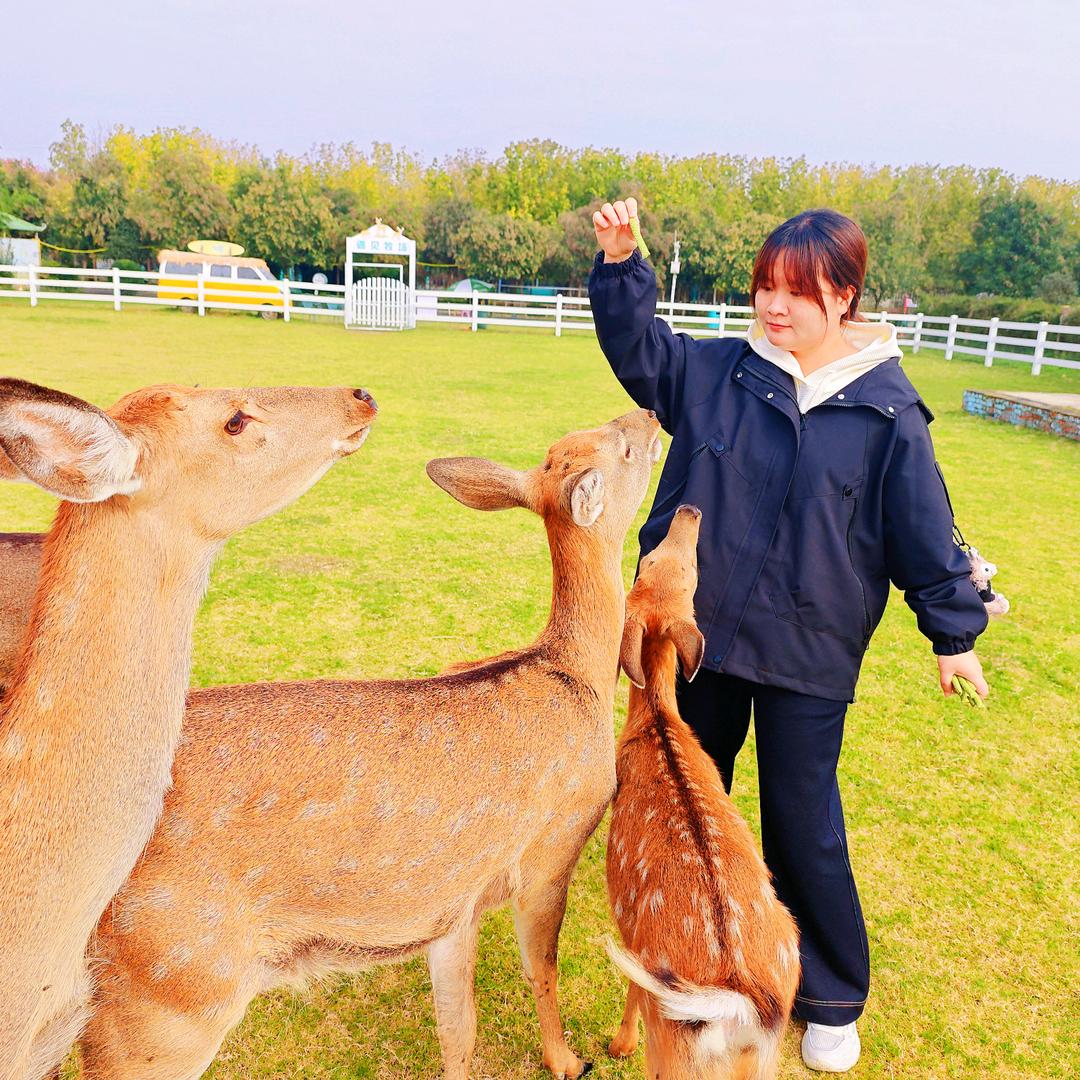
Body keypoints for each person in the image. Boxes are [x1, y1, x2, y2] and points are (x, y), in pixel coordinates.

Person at [589, 200, 989, 1073]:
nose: (774, 307)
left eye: (797, 293)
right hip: (702, 639)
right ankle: (690, 965)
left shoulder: (888, 413)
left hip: (811, 649)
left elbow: (922, 527)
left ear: (843, 297)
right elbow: (640, 351)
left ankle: (832, 995)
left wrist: (952, 630)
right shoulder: (721, 372)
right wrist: (623, 268)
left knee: (803, 825)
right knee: (687, 812)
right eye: (765, 287)